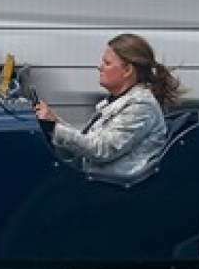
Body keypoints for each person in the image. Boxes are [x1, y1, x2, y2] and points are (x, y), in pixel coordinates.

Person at [34, 33, 183, 177]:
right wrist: (54, 121)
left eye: (107, 63)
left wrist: (55, 128)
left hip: (112, 187)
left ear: (127, 70)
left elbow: (101, 149)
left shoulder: (142, 107)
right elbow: (88, 140)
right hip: (95, 180)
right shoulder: (117, 101)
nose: (99, 67)